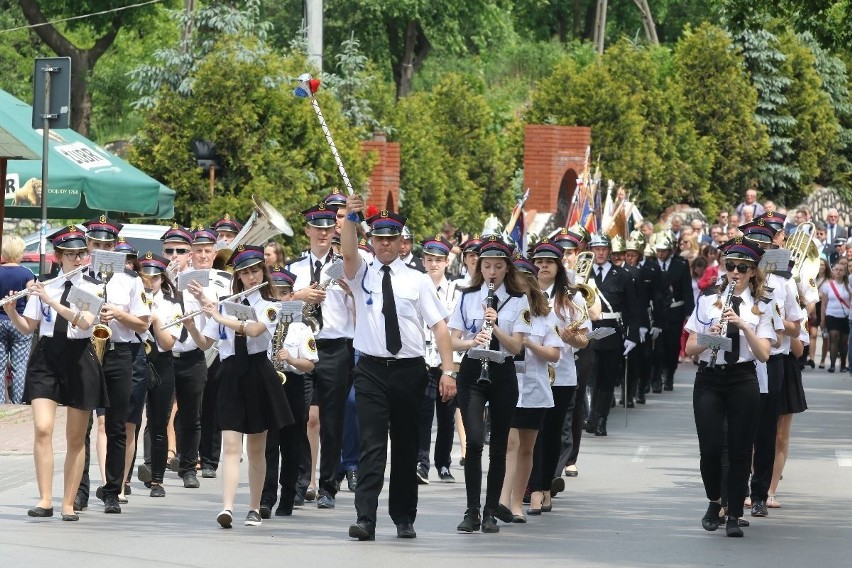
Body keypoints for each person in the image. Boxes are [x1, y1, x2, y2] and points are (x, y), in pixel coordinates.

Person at [341, 198, 456, 541]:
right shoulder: (361, 272)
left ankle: (404, 516)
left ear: (402, 241)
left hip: (409, 370)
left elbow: (439, 327)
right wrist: (349, 216)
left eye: (391, 238)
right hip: (372, 370)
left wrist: (448, 371)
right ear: (372, 240)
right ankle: (366, 518)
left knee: (406, 447)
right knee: (372, 446)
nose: (385, 243)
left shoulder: (418, 281)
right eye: (379, 238)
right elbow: (348, 253)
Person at [3, 226, 107, 521]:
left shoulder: (93, 286)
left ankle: (68, 503)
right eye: (71, 254)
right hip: (47, 356)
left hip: (78, 357)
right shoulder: (43, 283)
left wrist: (52, 301)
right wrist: (12, 311)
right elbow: (28, 327)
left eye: (81, 253)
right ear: (58, 257)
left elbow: (85, 322)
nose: (77, 259)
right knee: (43, 428)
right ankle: (45, 499)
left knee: (75, 437)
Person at [193, 245, 293, 528]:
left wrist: (218, 315)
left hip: (258, 373)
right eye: (245, 272)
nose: (251, 277)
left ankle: (254, 508)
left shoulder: (271, 305)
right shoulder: (225, 303)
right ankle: (226, 508)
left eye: (255, 270)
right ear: (238, 276)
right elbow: (205, 344)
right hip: (230, 374)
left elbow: (253, 330)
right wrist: (193, 322)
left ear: (263, 272)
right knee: (231, 445)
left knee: (257, 448)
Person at [685, 237, 774, 537]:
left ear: (751, 272)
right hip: (710, 377)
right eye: (730, 266)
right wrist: (709, 334)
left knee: (738, 449)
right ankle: (715, 501)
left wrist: (745, 325)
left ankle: (735, 512)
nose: (734, 272)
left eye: (741, 267)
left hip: (742, 378)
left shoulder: (762, 305)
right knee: (710, 449)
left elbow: (763, 354)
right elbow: (689, 348)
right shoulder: (708, 300)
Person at [449, 234, 531, 533]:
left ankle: (489, 512)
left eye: (498, 266)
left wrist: (494, 324)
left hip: (502, 371)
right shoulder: (467, 295)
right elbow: (453, 340)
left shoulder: (519, 300)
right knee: (473, 441)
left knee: (498, 447)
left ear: (507, 268)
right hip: (473, 371)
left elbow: (516, 347)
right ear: (479, 267)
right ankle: (471, 510)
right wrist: (473, 340)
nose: (492, 272)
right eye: (487, 266)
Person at [77, 217, 150, 514]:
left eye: (108, 245)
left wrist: (118, 314)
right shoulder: (79, 277)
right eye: (97, 245)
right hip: (85, 352)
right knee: (81, 426)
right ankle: (79, 490)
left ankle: (111, 490)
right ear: (88, 246)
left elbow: (143, 324)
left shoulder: (131, 280)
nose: (103, 249)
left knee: (117, 425)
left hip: (119, 353)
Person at [288, 202, 356, 509]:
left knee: (332, 420)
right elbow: (281, 308)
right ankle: (302, 481)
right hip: (303, 345)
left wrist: (352, 292)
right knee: (301, 416)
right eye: (318, 229)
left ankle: (329, 485)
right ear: (308, 231)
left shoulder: (345, 265)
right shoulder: (293, 269)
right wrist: (299, 296)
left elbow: (360, 310)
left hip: (334, 347)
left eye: (328, 229)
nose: (323, 234)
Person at [499, 255, 561, 521]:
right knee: (510, 445)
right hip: (508, 386)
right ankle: (501, 500)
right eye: (516, 279)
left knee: (526, 448)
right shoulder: (504, 310)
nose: (520, 283)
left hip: (534, 389)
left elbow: (554, 354)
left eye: (526, 279)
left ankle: (516, 502)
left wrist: (529, 344)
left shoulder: (544, 316)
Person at [530, 239, 590, 512]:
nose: (543, 266)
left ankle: (545, 487)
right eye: (539, 261)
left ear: (558, 266)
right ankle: (530, 485)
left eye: (549, 262)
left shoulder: (572, 296)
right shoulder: (523, 293)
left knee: (553, 432)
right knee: (530, 433)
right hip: (529, 373)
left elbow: (584, 340)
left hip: (561, 374)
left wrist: (572, 338)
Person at [260, 266, 318, 518]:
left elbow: (311, 364)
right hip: (268, 385)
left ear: (292, 296)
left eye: (284, 294)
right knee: (268, 444)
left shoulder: (302, 327)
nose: (280, 299)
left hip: (292, 385)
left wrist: (292, 360)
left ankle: (287, 496)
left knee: (292, 444)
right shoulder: (264, 322)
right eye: (276, 294)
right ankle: (265, 498)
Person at [188, 226, 234, 481]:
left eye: (207, 250)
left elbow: (224, 313)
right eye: (198, 251)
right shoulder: (181, 277)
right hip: (187, 345)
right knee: (188, 407)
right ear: (191, 253)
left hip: (215, 347)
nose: (203, 255)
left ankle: (209, 460)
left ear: (215, 252)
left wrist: (204, 298)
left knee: (212, 406)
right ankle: (187, 456)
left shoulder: (225, 280)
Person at [137, 252, 183, 498]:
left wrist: (154, 320)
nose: (149, 282)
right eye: (145, 277)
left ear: (162, 279)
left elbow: (167, 344)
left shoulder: (171, 304)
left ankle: (157, 478)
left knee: (158, 422)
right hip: (136, 359)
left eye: (154, 278)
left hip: (161, 362)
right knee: (130, 422)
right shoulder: (133, 298)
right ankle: (120, 479)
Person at [417, 235, 460, 484]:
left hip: (447, 359)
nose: (434, 264)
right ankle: (421, 462)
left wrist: (451, 366)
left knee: (446, 414)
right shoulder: (416, 286)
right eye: (430, 259)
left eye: (439, 260)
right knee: (422, 415)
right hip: (422, 358)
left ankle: (443, 463)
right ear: (423, 261)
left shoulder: (455, 291)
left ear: (446, 262)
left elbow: (455, 328)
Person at [585, 233, 639, 436]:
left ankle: (601, 419)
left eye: (603, 249)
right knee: (590, 377)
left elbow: (632, 309)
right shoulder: (584, 275)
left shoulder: (622, 275)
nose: (600, 252)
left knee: (606, 379)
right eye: (596, 248)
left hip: (612, 332)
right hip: (589, 331)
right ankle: (590, 416)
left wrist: (632, 336)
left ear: (609, 251)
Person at [652, 233, 694, 392]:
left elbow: (687, 290)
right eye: (658, 250)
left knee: (672, 346)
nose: (661, 254)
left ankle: (669, 374)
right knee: (657, 348)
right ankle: (656, 377)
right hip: (657, 312)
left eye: (664, 250)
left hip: (675, 311)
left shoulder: (680, 264)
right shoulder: (652, 264)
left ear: (670, 250)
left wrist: (689, 313)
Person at [0, 235, 35, 404]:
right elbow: (32, 300)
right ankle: (18, 402)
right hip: (20, 322)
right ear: (20, 253)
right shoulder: (27, 273)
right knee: (19, 366)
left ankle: (0, 403)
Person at [819, 261, 850, 372]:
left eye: (841, 270)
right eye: (836, 269)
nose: (838, 272)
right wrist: (822, 320)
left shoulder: (848, 286)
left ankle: (842, 365)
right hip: (831, 315)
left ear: (845, 272)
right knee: (834, 338)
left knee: (844, 341)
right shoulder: (827, 286)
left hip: (845, 316)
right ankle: (832, 365)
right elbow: (823, 304)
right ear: (833, 271)